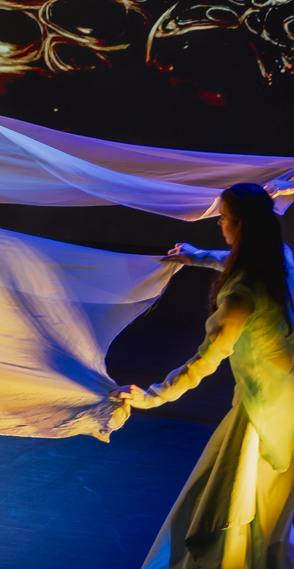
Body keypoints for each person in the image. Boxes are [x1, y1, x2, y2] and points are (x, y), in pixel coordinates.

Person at [115, 183, 293, 568]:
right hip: (284, 397)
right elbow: (236, 259)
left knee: (236, 498)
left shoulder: (241, 294)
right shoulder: (281, 258)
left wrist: (153, 396)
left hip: (266, 412)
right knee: (269, 501)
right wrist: (198, 257)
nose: (219, 224)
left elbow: (204, 361)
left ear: (240, 225)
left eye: (224, 218)